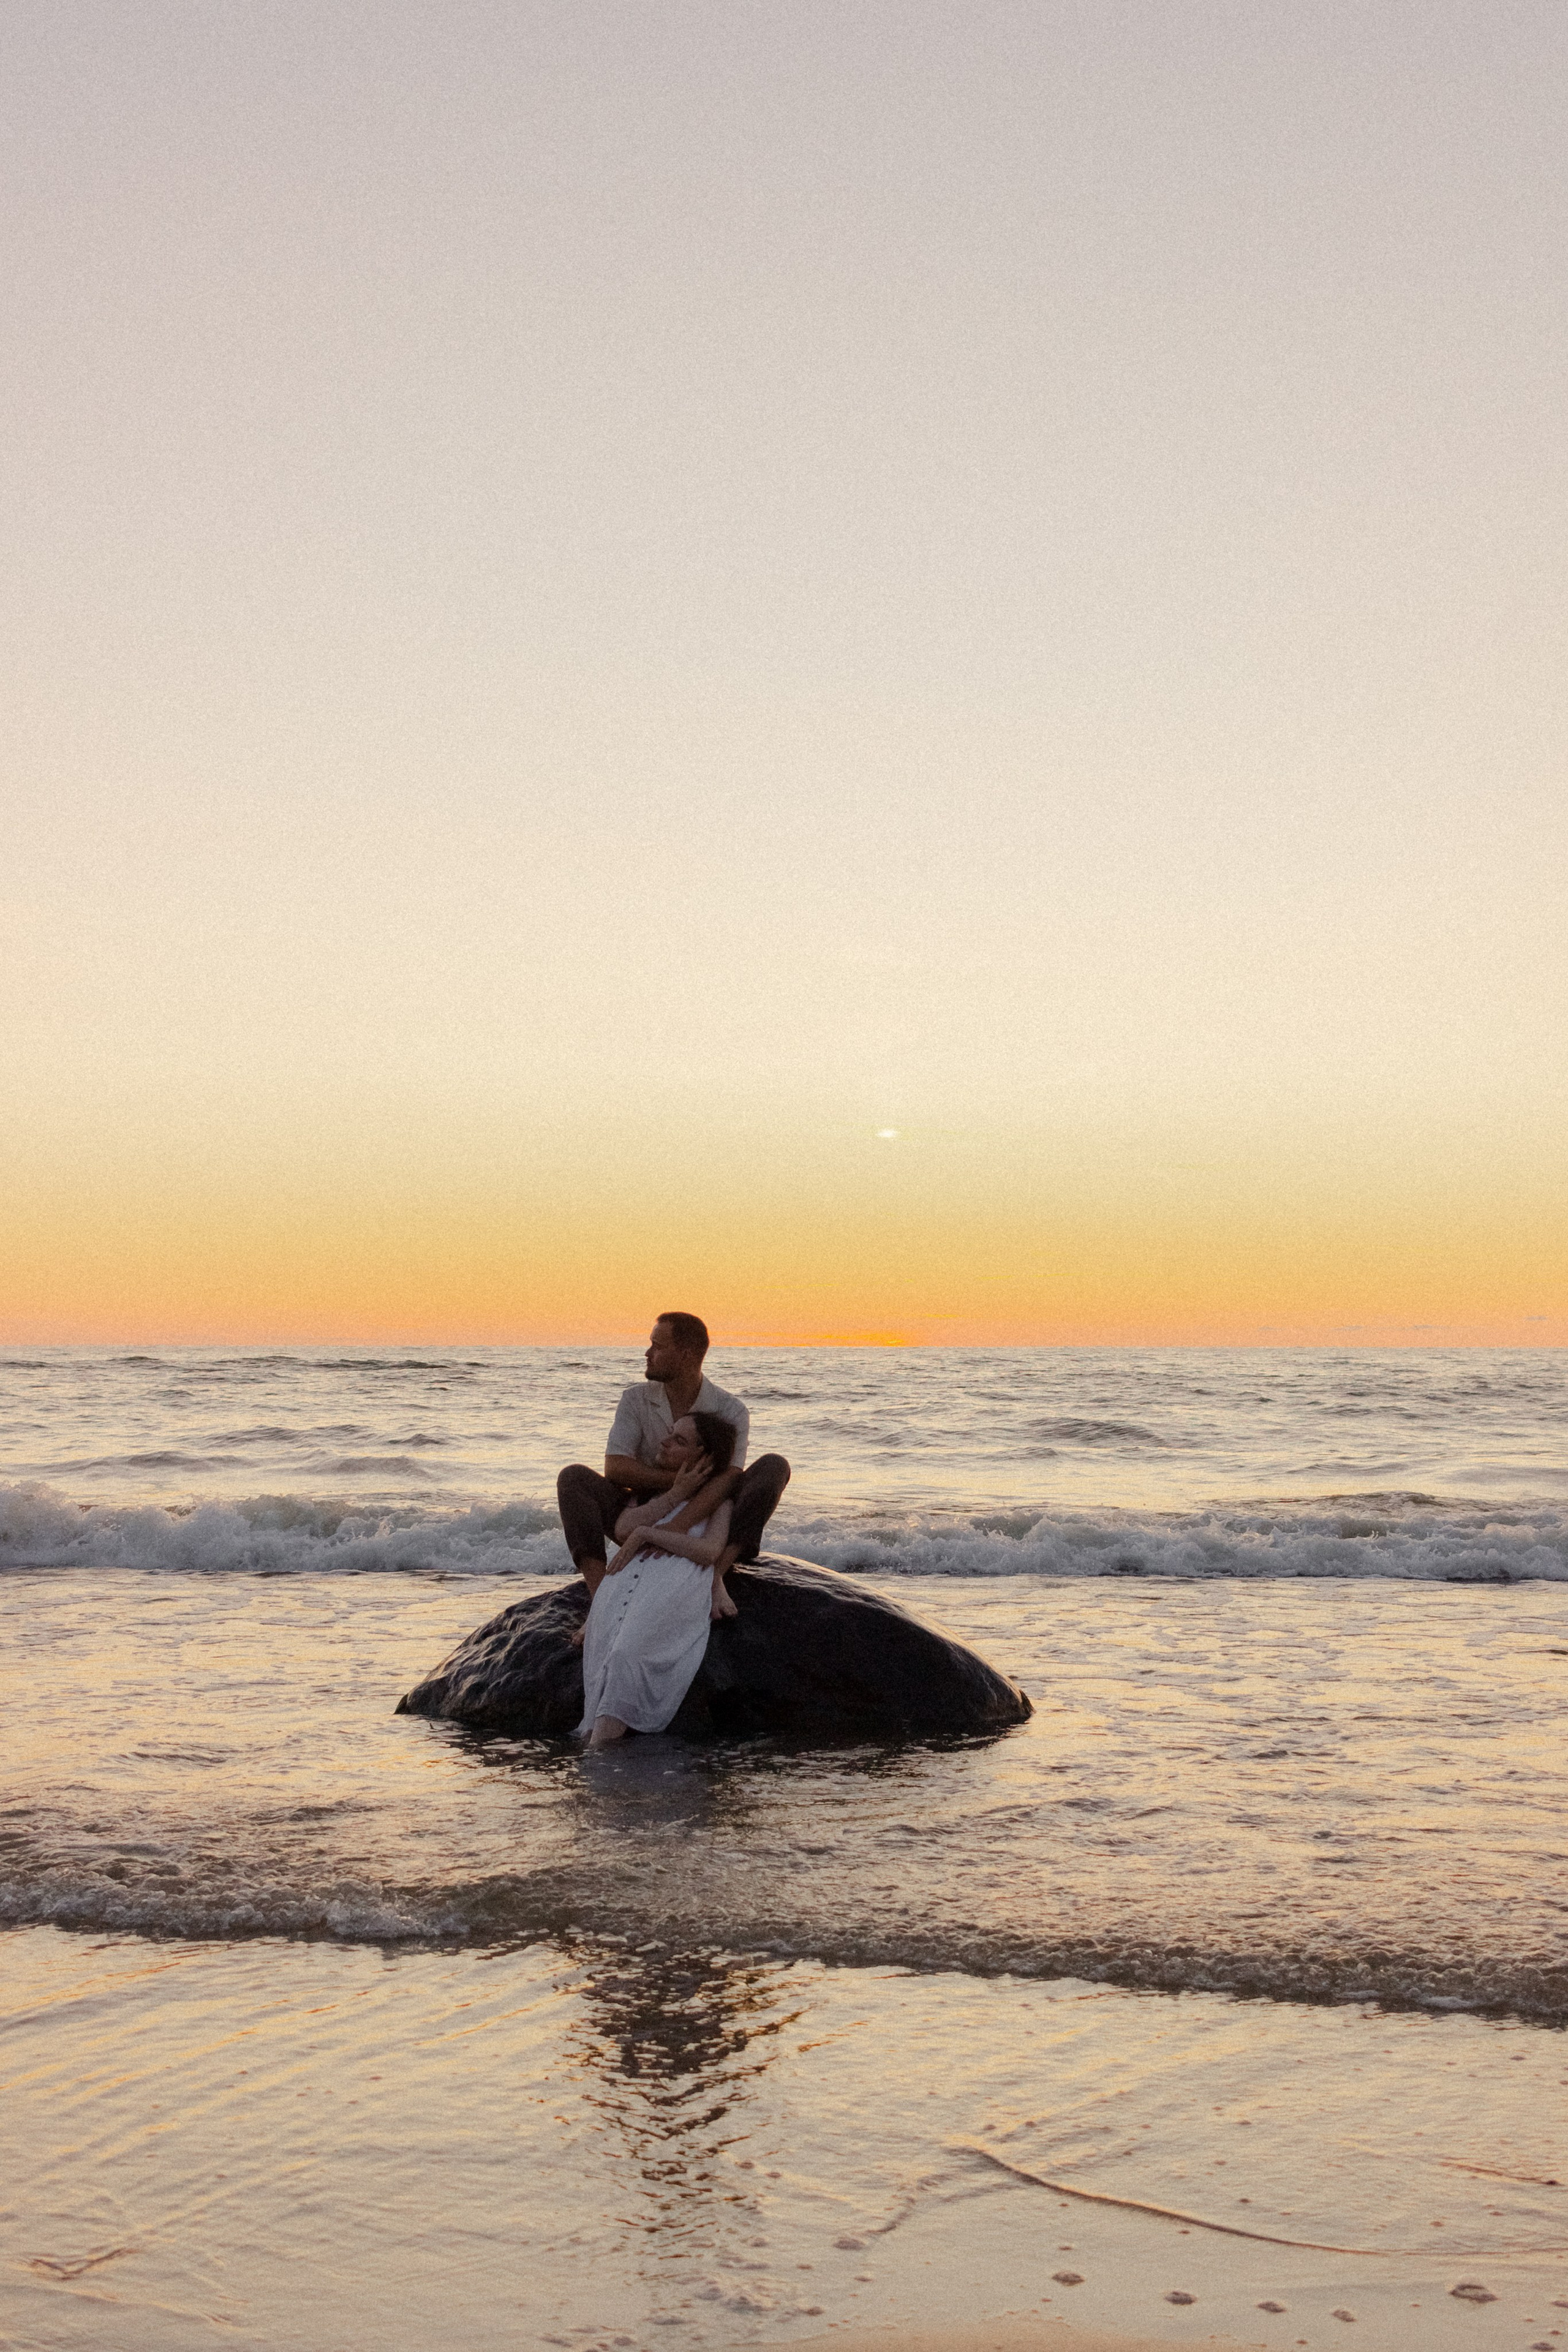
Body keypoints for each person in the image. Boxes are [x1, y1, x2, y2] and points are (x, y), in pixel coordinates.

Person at [556, 1313, 790, 1633]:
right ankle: (600, 1599)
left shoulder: (729, 1409)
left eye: (657, 1346)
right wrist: (678, 1485)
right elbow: (616, 1468)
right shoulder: (635, 1399)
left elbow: (731, 1478)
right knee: (573, 1478)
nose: (647, 1353)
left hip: (713, 1509)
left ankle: (715, 1576)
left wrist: (679, 1523)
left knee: (774, 1467)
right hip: (646, 1507)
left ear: (686, 1355)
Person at [576, 1411, 739, 1747]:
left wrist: (649, 1535)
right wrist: (676, 1494)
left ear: (704, 1455)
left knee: (625, 1657)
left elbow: (708, 1551)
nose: (664, 1442)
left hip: (675, 1583)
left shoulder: (717, 1502)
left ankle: (600, 1762)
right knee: (606, 1658)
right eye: (670, 1433)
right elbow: (624, 1529)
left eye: (679, 1440)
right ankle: (596, 1753)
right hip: (624, 1582)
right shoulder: (649, 1495)